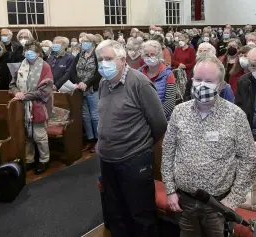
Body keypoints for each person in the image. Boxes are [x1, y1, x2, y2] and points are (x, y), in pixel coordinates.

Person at [162, 54, 256, 237]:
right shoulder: (179, 111)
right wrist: (170, 189)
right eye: (198, 79)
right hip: (185, 200)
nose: (201, 85)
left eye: (209, 81)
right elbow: (168, 151)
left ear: (221, 85)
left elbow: (248, 160)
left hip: (218, 204)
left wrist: (233, 199)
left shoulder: (235, 116)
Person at [96, 40, 167, 237]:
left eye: (108, 59)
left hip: (134, 159)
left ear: (122, 59)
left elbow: (160, 123)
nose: (103, 64)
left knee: (140, 214)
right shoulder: (103, 83)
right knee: (116, 212)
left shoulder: (140, 83)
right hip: (108, 158)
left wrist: (139, 145)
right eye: (100, 59)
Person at [9, 40, 53, 175]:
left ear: (38, 52)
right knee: (27, 135)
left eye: (32, 51)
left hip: (39, 105)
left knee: (39, 136)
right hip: (22, 106)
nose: (29, 53)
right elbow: (12, 85)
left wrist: (25, 96)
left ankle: (44, 159)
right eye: (27, 50)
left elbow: (45, 91)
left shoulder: (44, 66)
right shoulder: (21, 65)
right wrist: (17, 93)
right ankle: (29, 159)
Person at [59, 33, 100, 152]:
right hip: (80, 89)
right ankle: (90, 139)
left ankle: (99, 140)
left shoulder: (96, 55)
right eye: (83, 41)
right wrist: (79, 82)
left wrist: (87, 83)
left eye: (87, 41)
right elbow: (72, 71)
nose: (84, 44)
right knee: (85, 116)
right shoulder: (79, 55)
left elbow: (98, 73)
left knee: (95, 116)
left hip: (92, 88)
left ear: (92, 43)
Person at [139, 40, 176, 120]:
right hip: (141, 119)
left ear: (159, 55)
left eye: (152, 54)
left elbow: (170, 102)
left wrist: (154, 116)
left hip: (161, 119)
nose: (149, 57)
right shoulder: (138, 74)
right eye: (146, 55)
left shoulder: (168, 74)